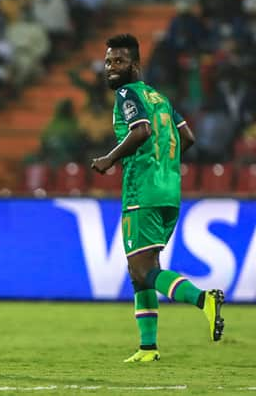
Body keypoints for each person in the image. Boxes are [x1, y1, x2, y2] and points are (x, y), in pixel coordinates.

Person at [90, 34, 224, 362]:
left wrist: (110, 159)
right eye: (108, 61)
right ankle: (148, 348)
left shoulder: (127, 94)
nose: (111, 68)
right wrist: (165, 162)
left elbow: (141, 130)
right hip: (169, 192)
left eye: (118, 61)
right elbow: (187, 137)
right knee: (143, 269)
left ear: (134, 65)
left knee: (142, 269)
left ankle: (203, 299)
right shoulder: (160, 98)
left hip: (143, 192)